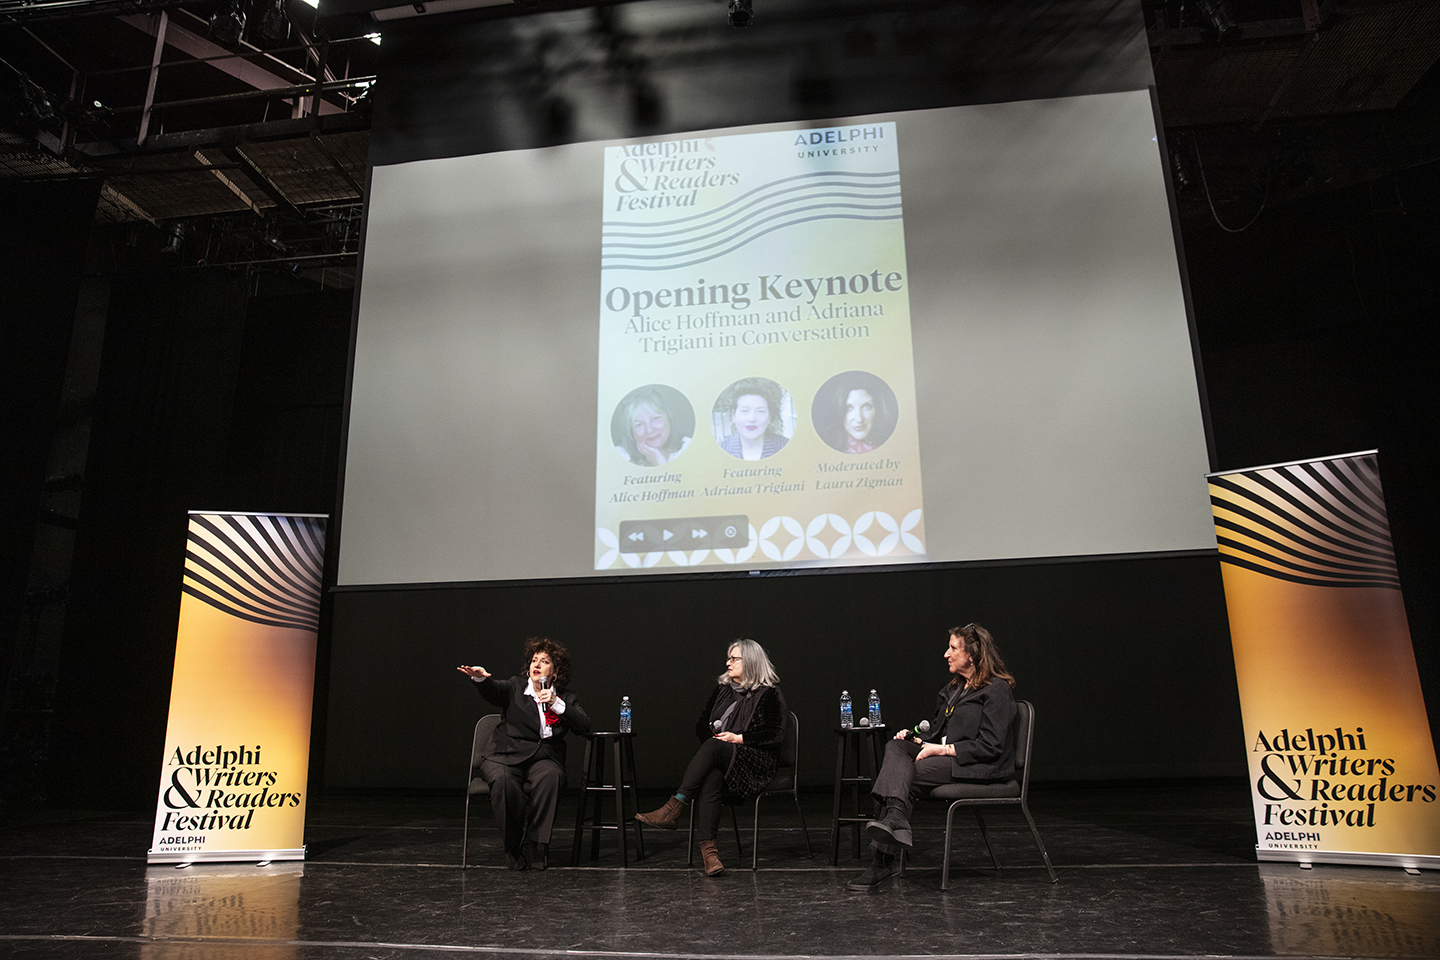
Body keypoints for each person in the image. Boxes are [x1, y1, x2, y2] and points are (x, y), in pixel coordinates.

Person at [847, 623, 1017, 891]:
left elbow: (992, 745)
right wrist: (918, 741)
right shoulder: (953, 689)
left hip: (980, 766)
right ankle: (895, 819)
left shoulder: (996, 690)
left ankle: (882, 860)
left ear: (971, 654)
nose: (946, 654)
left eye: (952, 648)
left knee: (905, 777)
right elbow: (938, 734)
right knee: (896, 747)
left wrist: (944, 750)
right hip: (947, 759)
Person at [633, 638, 787, 876]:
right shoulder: (722, 690)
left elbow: (775, 735)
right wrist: (716, 736)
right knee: (712, 775)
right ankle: (710, 854)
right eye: (728, 658)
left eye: (734, 658)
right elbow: (700, 726)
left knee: (714, 749)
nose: (728, 663)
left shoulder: (769, 694)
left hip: (756, 762)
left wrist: (738, 738)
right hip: (724, 759)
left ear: (751, 661)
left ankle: (674, 807)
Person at [456, 637, 591, 870]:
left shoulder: (565, 697)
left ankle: (535, 844)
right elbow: (494, 691)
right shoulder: (515, 687)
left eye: (545, 661)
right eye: (534, 660)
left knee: (553, 777)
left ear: (556, 671)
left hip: (544, 757)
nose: (536, 664)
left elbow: (584, 725)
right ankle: (512, 846)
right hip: (505, 755)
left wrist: (558, 703)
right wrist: (480, 678)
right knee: (504, 782)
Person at [812, 371, 897, 454]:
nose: (859, 419)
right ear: (839, 410)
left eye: (867, 406)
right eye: (849, 408)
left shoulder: (893, 449)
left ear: (877, 409)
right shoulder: (821, 451)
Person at [615, 386, 691, 466]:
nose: (649, 430)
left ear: (669, 418)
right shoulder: (619, 455)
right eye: (639, 424)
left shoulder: (688, 447)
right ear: (631, 432)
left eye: (655, 418)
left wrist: (660, 463)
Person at [717, 378, 789, 460]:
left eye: (760, 411)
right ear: (734, 415)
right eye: (745, 411)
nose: (752, 419)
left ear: (770, 417)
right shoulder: (721, 449)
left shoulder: (787, 447)